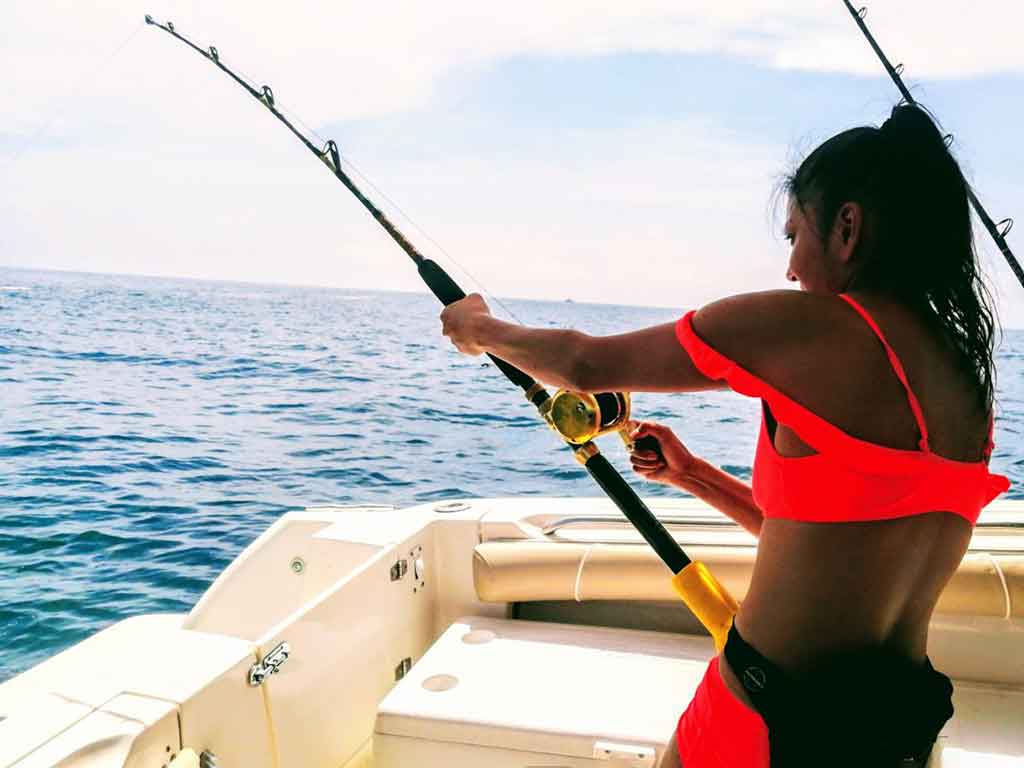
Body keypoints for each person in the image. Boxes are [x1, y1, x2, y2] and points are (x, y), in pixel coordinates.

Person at [439, 103, 1010, 767]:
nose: (792, 268)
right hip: (899, 724)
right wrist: (693, 475)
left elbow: (583, 365)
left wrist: (478, 328)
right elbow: (829, 548)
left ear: (847, 228)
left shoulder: (805, 328)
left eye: (796, 234)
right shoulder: (967, 382)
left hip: (773, 721)